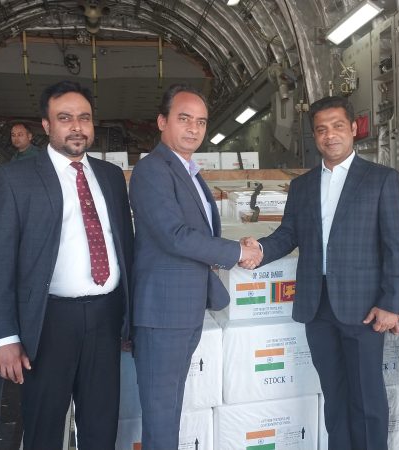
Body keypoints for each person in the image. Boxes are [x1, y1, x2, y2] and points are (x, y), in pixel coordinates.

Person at [241, 95, 399, 450]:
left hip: (364, 309)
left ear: (353, 129)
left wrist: (391, 303)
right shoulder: (302, 186)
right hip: (317, 306)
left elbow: (397, 246)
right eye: (321, 129)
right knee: (334, 395)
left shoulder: (380, 179)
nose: (329, 135)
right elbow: (288, 234)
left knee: (367, 397)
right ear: (314, 136)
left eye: (337, 126)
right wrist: (260, 250)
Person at [0, 80, 134, 449]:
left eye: (84, 118)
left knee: (101, 423)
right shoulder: (16, 179)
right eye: (65, 118)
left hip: (106, 316)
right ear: (46, 125)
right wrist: (5, 337)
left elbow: (125, 248)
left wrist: (129, 317)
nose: (77, 127)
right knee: (44, 425)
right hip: (48, 321)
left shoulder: (111, 177)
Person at [128, 83, 261, 449]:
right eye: (184, 119)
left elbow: (195, 233)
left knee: (171, 407)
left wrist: (237, 246)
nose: (193, 129)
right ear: (162, 121)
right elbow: (175, 235)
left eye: (201, 122)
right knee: (161, 412)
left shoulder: (188, 171)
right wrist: (236, 252)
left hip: (183, 308)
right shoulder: (152, 170)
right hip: (162, 312)